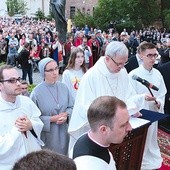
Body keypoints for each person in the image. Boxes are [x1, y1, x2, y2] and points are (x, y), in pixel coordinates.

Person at [68, 41, 146, 153]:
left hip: (118, 130)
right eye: (119, 63)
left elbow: (128, 97)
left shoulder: (123, 73)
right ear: (107, 58)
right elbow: (86, 109)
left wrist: (132, 108)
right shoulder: (91, 76)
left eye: (124, 63)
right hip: (99, 134)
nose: (122, 67)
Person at [128, 42, 167, 170]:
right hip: (139, 113)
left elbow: (162, 93)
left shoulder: (157, 74)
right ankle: (138, 158)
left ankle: (150, 156)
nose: (153, 58)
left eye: (155, 55)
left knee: (151, 138)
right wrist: (142, 98)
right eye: (149, 55)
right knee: (141, 141)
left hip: (153, 111)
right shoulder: (133, 75)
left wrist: (159, 102)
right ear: (141, 56)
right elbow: (128, 96)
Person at [0, 65, 44, 170]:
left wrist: (31, 125)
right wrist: (17, 129)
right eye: (12, 80)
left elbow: (38, 122)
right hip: (9, 165)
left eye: (18, 79)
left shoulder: (26, 101)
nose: (18, 83)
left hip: (33, 161)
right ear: (0, 85)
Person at [72, 96, 132, 170]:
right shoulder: (89, 166)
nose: (130, 128)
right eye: (123, 125)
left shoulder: (87, 138)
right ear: (103, 130)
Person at [30, 57, 74, 155]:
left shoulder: (64, 87)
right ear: (43, 72)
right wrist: (50, 119)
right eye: (50, 70)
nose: (55, 72)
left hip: (64, 133)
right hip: (48, 137)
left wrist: (66, 114)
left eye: (56, 68)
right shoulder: (36, 93)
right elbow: (32, 119)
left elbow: (71, 106)